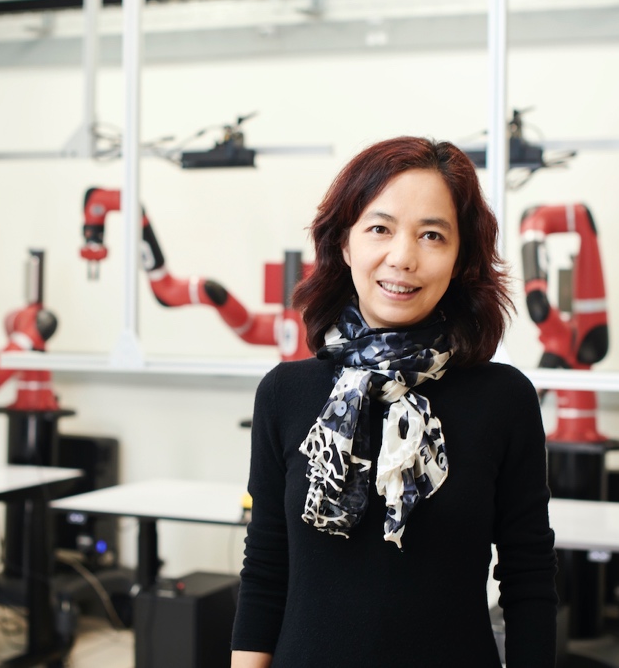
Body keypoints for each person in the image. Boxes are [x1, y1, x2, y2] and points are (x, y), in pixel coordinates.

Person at [230, 137, 558, 667]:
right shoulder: (284, 394)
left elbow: (529, 576)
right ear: (344, 244)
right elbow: (267, 567)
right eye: (380, 228)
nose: (402, 257)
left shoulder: (504, 400)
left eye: (432, 235)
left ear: (460, 259)